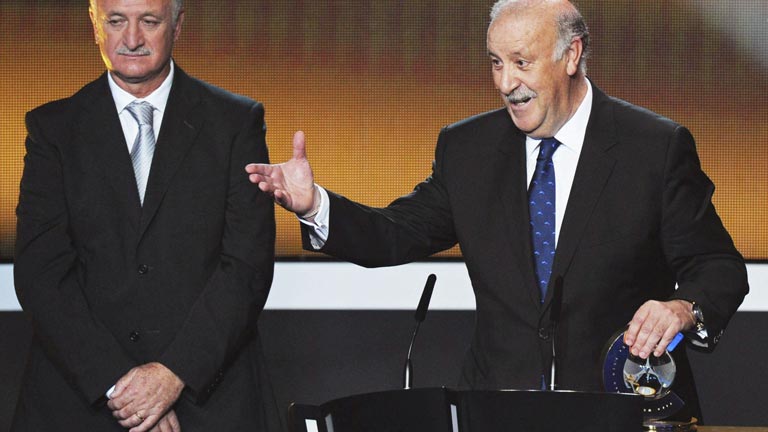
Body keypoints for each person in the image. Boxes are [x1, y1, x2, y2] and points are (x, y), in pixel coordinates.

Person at [246, 0, 748, 422]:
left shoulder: (653, 148)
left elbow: (718, 267)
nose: (506, 83)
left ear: (571, 55)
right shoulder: (469, 149)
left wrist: (682, 309)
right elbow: (396, 231)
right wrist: (315, 206)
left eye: (521, 62)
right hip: (497, 412)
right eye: (495, 63)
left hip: (621, 411)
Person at [13, 0, 279, 430]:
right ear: (95, 25)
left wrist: (172, 375)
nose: (132, 39)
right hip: (81, 402)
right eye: (116, 21)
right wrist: (123, 387)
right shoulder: (53, 128)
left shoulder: (235, 122)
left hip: (208, 400)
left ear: (177, 25)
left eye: (149, 22)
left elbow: (247, 264)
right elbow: (41, 272)